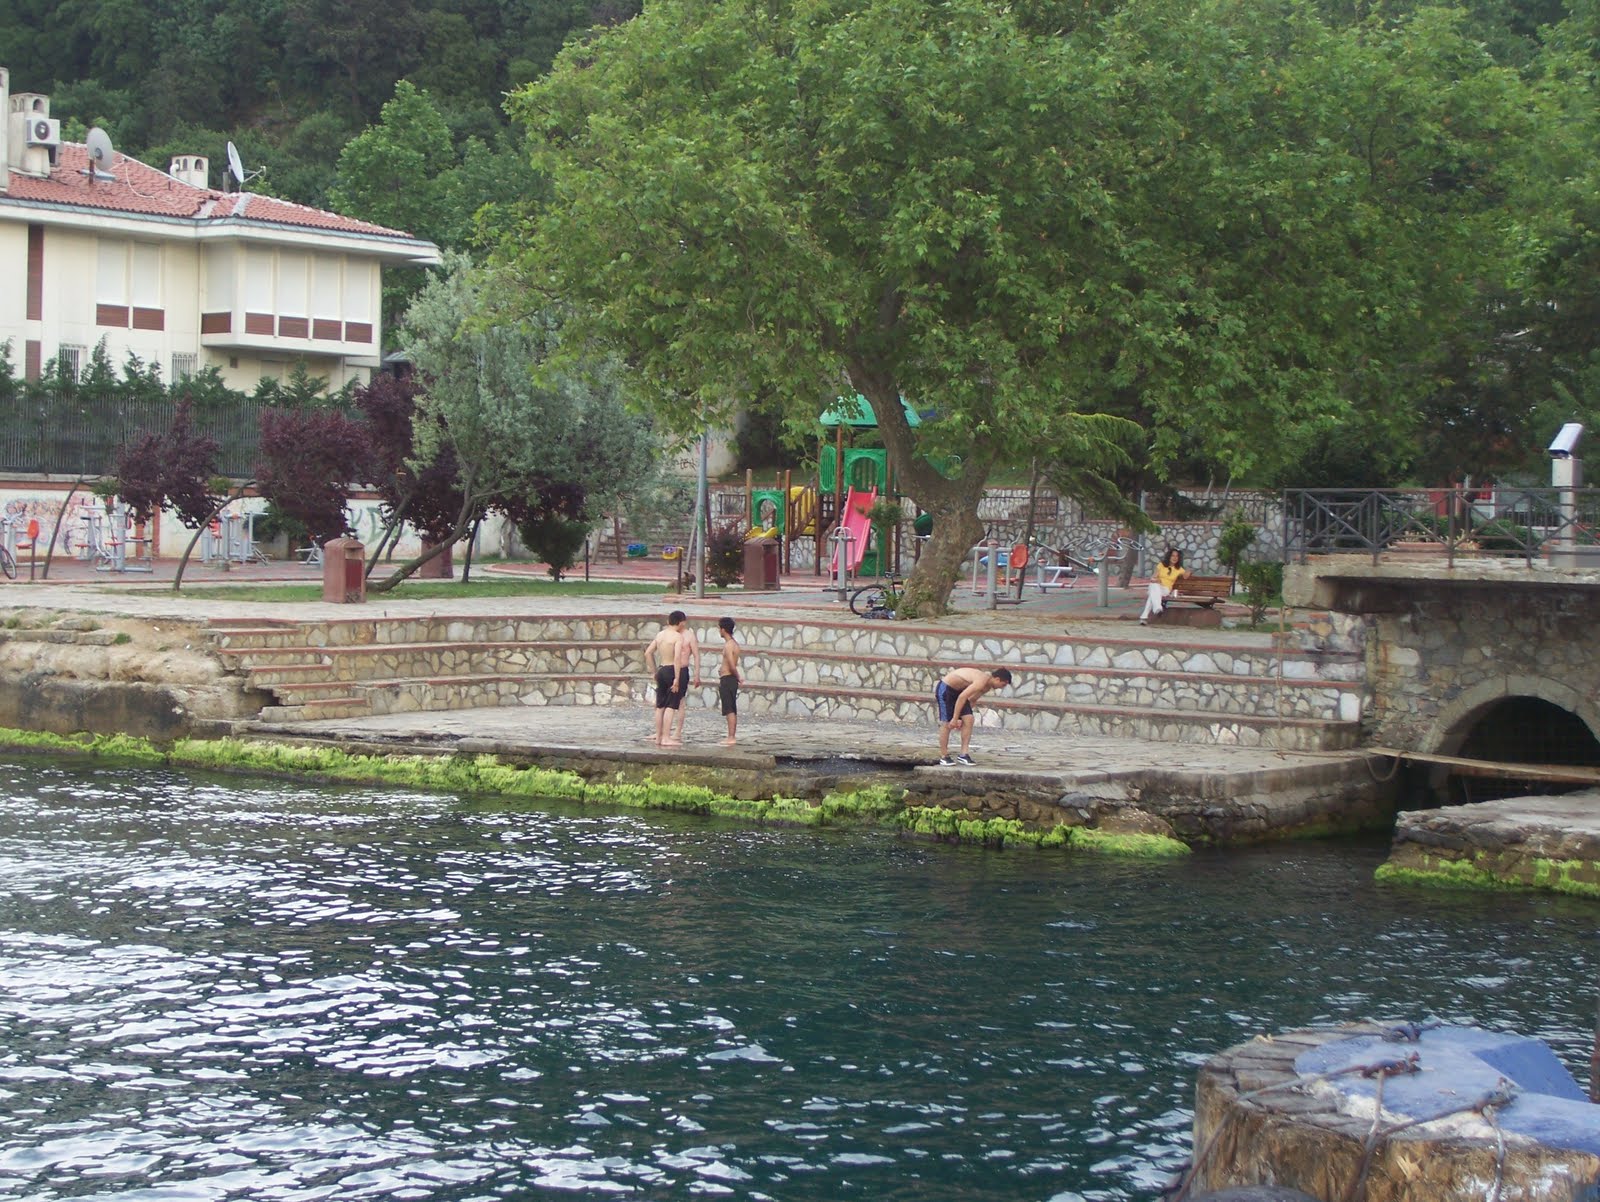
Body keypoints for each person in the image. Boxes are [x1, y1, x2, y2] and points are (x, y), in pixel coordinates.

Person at [935, 666, 1013, 765]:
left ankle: (963, 754)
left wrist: (962, 718)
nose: (1001, 688)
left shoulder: (987, 686)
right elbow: (962, 697)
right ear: (997, 679)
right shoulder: (981, 680)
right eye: (1002, 684)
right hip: (946, 688)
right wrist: (955, 718)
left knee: (969, 719)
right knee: (947, 723)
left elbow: (972, 700)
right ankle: (944, 756)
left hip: (959, 692)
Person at [643, 611, 690, 747]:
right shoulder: (677, 637)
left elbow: (648, 653)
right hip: (672, 670)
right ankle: (666, 737)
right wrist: (676, 678)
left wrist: (654, 672)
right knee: (671, 705)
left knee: (660, 705)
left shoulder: (660, 635)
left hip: (662, 669)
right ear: (680, 622)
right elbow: (677, 658)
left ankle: (658, 737)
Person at [671, 613, 702, 744]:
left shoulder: (689, 636)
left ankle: (678, 731)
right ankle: (663, 730)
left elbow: (696, 655)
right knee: (663, 702)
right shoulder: (670, 633)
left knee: (680, 702)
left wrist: (696, 674)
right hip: (669, 668)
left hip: (682, 669)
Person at [1140, 547, 1190, 625]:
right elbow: (1153, 578)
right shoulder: (1161, 565)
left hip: (1166, 589)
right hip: (1157, 586)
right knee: (1154, 587)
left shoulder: (1179, 569)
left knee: (1152, 594)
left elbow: (1186, 576)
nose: (1175, 558)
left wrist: (1189, 571)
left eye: (1177, 556)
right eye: (1173, 556)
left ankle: (1152, 611)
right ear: (1169, 556)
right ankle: (1150, 613)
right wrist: (1157, 580)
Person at [716, 616, 741, 745]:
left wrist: (738, 676)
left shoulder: (729, 645)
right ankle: (731, 735)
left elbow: (731, 664)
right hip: (728, 677)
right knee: (731, 708)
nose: (719, 631)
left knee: (729, 708)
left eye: (719, 628)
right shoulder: (735, 644)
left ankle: (731, 737)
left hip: (728, 678)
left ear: (723, 629)